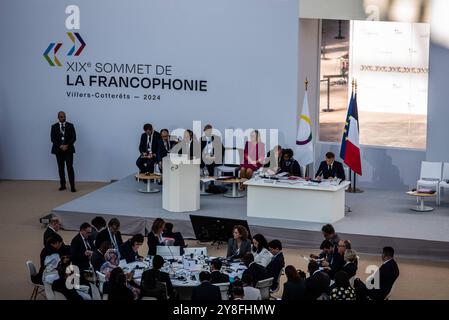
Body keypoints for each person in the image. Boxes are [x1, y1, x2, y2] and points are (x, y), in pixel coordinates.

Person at [51, 111, 77, 192]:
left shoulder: (70, 125)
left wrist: (67, 145)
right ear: (58, 117)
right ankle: (63, 185)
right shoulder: (54, 126)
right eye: (61, 117)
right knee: (61, 168)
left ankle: (72, 186)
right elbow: (53, 139)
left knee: (70, 168)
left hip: (68, 150)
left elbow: (74, 137)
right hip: (58, 150)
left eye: (64, 116)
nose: (63, 118)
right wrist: (60, 145)